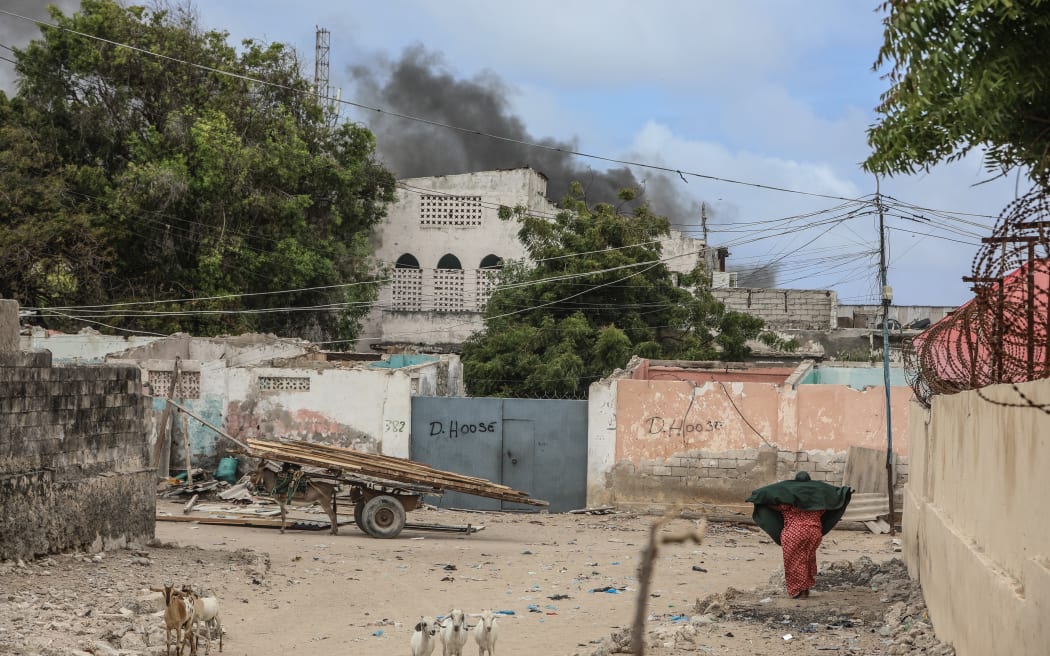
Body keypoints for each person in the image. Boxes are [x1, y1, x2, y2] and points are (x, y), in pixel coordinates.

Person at [746, 471, 852, 599]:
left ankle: (799, 590)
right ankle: (805, 589)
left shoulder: (788, 504)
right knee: (807, 559)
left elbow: (772, 502)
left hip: (794, 533)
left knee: (794, 561)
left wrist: (761, 501)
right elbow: (833, 502)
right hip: (814, 532)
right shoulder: (819, 505)